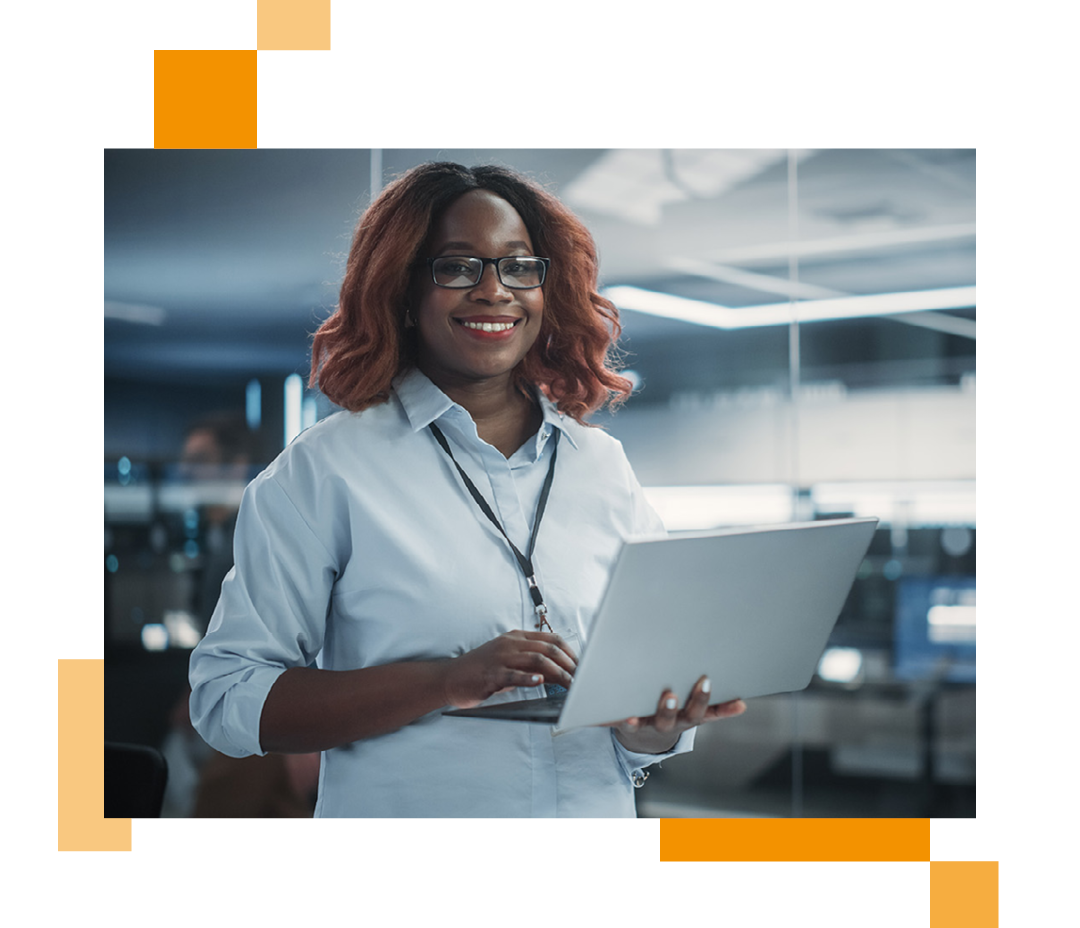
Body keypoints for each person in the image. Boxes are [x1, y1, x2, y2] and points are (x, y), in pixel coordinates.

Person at [188, 162, 746, 818]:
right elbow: (227, 700)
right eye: (457, 267)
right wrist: (443, 680)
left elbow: (647, 685)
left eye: (517, 266)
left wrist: (653, 728)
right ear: (403, 288)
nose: (494, 291)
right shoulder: (325, 471)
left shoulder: (601, 467)